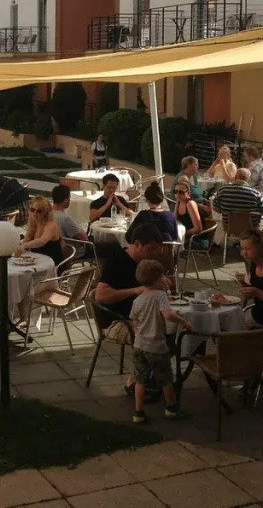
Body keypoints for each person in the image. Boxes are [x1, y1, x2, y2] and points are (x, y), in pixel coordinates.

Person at [94, 224, 165, 395]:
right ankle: (135, 381)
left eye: (156, 250)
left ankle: (155, 375)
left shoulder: (145, 263)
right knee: (153, 335)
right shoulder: (118, 262)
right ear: (137, 244)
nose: (154, 254)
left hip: (140, 316)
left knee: (174, 330)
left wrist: (163, 280)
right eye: (151, 249)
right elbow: (100, 296)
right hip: (116, 320)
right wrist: (135, 291)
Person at [129, 259, 194, 423]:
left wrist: (138, 332)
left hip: (139, 345)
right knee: (165, 379)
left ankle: (138, 412)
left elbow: (134, 320)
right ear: (158, 279)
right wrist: (183, 322)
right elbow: (167, 314)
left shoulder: (137, 300)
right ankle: (171, 408)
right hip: (156, 346)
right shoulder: (160, 296)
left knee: (140, 380)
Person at [20, 196, 64, 265]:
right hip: (38, 262)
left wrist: (24, 245)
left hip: (52, 264)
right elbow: (25, 242)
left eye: (39, 211)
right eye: (32, 210)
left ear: (46, 213)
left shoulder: (51, 225)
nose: (34, 213)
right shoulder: (34, 225)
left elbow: (42, 241)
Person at [172, 181, 206, 249]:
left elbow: (198, 229)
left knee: (171, 246)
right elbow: (174, 221)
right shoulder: (179, 202)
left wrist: (183, 234)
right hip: (185, 237)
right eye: (175, 192)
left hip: (196, 239)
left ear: (188, 193)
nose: (178, 194)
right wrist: (177, 204)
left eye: (181, 192)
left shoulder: (190, 204)